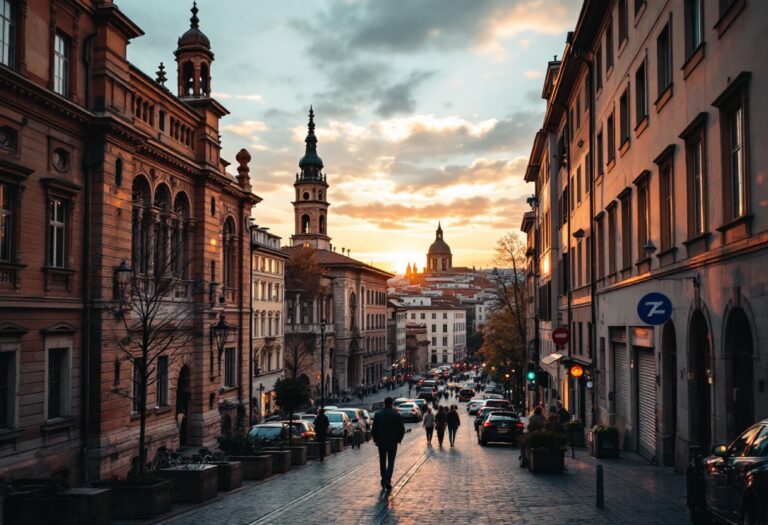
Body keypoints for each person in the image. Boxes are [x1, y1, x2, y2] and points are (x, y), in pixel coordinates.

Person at [371, 397, 406, 491]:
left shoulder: (378, 414)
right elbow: (402, 429)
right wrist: (398, 439)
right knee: (391, 461)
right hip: (392, 442)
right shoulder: (396, 415)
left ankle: (384, 478)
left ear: (384, 403)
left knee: (382, 461)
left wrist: (375, 440)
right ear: (392, 404)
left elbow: (374, 429)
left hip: (381, 442)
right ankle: (387, 479)